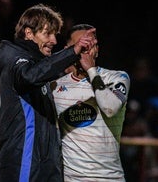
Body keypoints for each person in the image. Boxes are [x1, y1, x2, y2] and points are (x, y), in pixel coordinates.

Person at [0, 4, 97, 182]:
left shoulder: (38, 66)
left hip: (44, 165)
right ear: (29, 33)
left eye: (55, 34)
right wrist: (72, 52)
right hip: (23, 162)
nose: (54, 40)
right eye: (47, 33)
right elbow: (31, 76)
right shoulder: (15, 61)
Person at [51, 24, 130, 181]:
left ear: (97, 50)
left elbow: (110, 108)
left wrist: (91, 70)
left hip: (110, 178)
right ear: (69, 49)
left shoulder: (117, 78)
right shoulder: (55, 86)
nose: (85, 50)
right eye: (81, 44)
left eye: (90, 45)